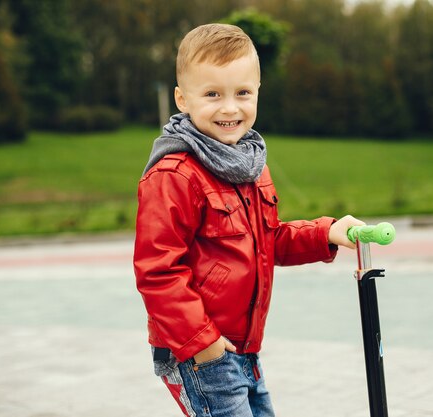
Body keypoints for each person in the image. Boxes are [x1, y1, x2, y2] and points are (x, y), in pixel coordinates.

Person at [133, 23, 364, 417]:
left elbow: (266, 242)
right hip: (202, 348)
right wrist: (203, 341)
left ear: (258, 92)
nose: (229, 107)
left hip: (242, 346)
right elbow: (158, 271)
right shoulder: (175, 174)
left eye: (242, 92)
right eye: (212, 94)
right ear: (182, 99)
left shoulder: (250, 166)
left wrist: (325, 232)